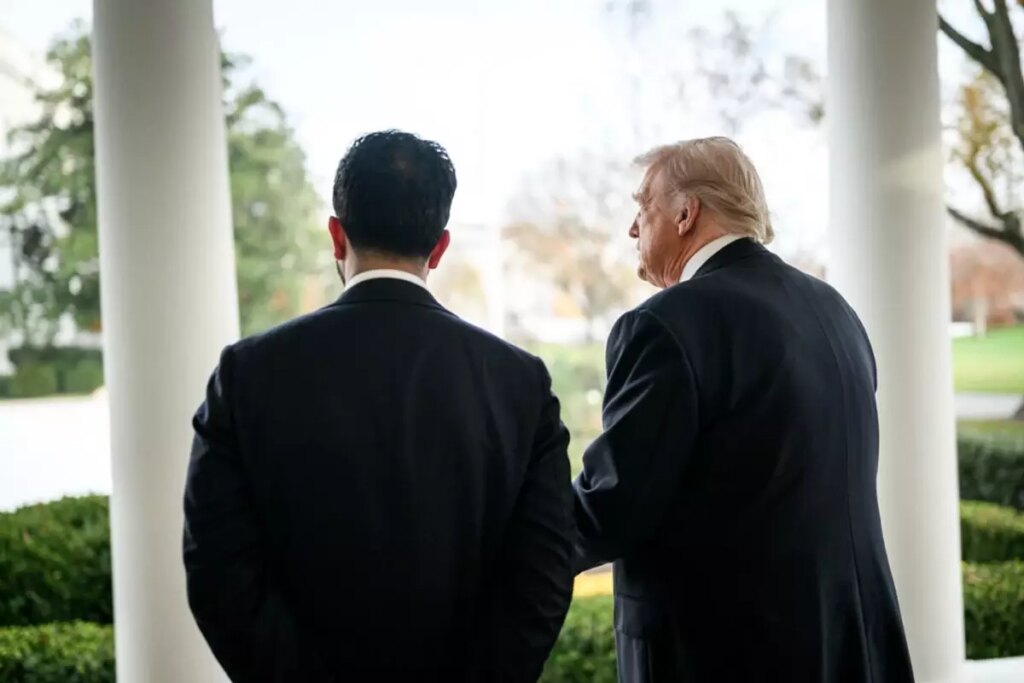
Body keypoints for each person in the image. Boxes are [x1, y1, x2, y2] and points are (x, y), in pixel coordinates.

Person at [183, 130, 574, 682]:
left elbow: (217, 570)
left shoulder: (247, 374)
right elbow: (543, 576)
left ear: (336, 235)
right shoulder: (518, 383)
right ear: (440, 247)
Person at [573, 137, 914, 682]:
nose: (633, 229)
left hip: (726, 653)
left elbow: (612, 507)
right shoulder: (835, 309)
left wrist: (497, 534)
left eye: (643, 206)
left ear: (686, 214)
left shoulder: (665, 324)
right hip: (851, 645)